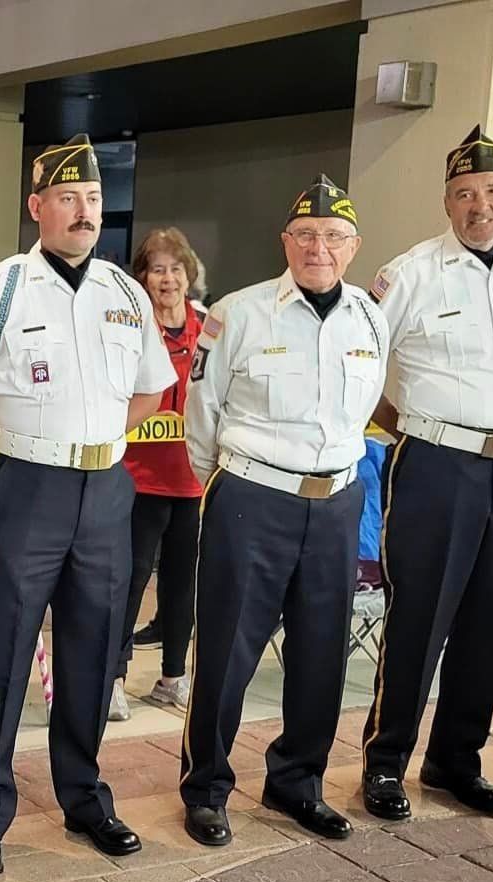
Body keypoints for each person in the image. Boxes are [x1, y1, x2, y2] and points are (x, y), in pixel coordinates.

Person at [0, 133, 175, 877]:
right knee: (1, 650)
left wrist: (95, 444)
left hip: (104, 490)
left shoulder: (125, 292)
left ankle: (83, 797)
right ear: (37, 206)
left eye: (93, 199)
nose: (83, 212)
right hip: (25, 488)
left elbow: (150, 388)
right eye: (67, 198)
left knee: (94, 649)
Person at [360, 127, 493, 822]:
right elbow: (355, 362)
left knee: (488, 622)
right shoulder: (410, 273)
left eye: (492, 192)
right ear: (446, 203)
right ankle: (384, 765)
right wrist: (408, 426)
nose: (480, 205)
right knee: (420, 619)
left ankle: (455, 761)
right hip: (436, 466)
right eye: (464, 194)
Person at [180, 175, 387, 847]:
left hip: (334, 502)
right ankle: (206, 787)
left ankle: (297, 782)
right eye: (304, 235)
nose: (317, 248)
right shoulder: (237, 313)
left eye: (331, 237)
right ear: (284, 243)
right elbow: (200, 414)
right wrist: (234, 483)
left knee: (321, 653)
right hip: (251, 497)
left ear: (352, 246)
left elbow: (364, 408)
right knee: (227, 650)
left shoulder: (369, 316)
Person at [111, 228, 206, 721]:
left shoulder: (208, 327)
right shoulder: (130, 326)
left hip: (192, 480)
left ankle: (173, 675)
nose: (167, 279)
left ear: (189, 275)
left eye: (175, 269)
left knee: (181, 583)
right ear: (142, 278)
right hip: (138, 478)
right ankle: (114, 679)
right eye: (156, 269)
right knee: (129, 580)